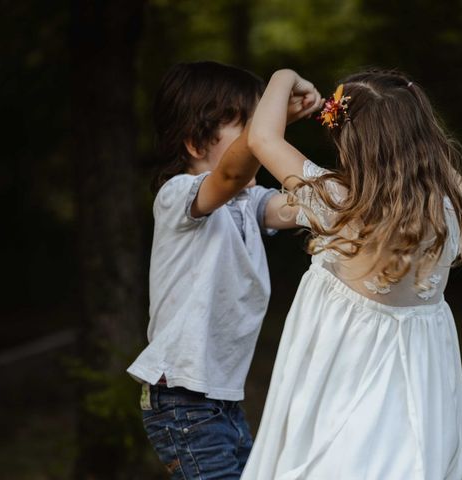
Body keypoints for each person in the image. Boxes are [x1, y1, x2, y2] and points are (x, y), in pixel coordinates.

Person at [242, 68, 462, 479]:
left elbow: (262, 138)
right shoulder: (460, 214)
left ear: (350, 144)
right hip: (420, 407)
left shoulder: (337, 205)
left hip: (341, 392)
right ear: (426, 136)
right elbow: (441, 169)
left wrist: (284, 76)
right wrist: (415, 129)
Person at [126, 61, 322, 479]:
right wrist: (282, 79)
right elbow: (233, 171)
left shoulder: (249, 204)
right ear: (197, 143)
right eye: (249, 130)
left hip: (220, 401)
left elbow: (311, 204)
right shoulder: (177, 196)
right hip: (182, 398)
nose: (262, 142)